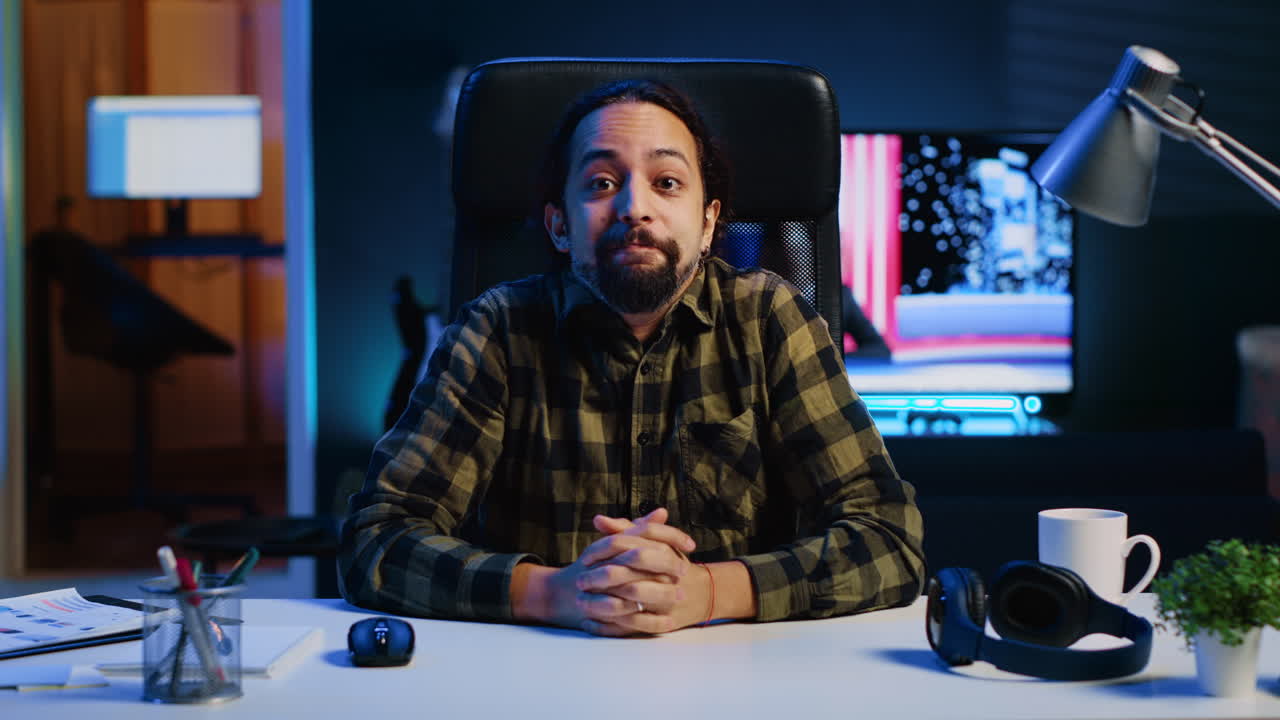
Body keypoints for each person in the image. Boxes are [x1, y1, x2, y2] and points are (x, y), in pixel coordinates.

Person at [338, 79, 925, 636]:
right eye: (600, 183)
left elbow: (889, 537)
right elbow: (376, 539)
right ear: (559, 225)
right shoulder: (498, 329)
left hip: (740, 674)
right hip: (539, 671)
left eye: (667, 182)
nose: (634, 207)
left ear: (707, 222)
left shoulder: (768, 318)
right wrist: (555, 594)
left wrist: (707, 593)